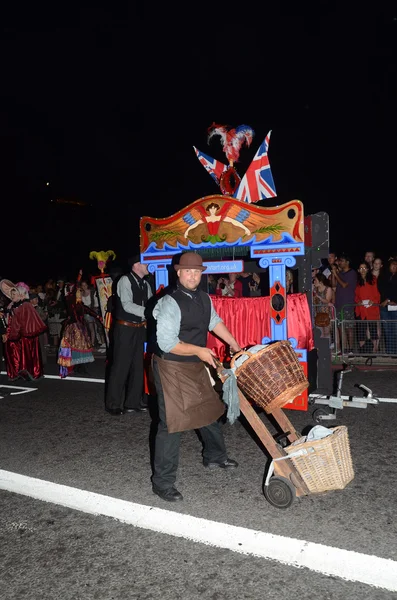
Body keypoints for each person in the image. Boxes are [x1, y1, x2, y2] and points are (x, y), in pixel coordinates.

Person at [151, 251, 242, 502]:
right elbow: (167, 343)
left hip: (194, 364)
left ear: (202, 273)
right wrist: (200, 351)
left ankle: (215, 456)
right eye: (187, 271)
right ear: (178, 273)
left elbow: (214, 322)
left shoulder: (204, 298)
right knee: (171, 422)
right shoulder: (170, 302)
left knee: (208, 409)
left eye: (197, 271)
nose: (192, 276)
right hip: (171, 365)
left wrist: (234, 344)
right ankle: (162, 482)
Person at [105, 254, 153, 415]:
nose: (148, 265)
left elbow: (151, 303)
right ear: (135, 265)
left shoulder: (145, 284)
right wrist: (150, 312)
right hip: (124, 329)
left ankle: (132, 402)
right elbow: (126, 305)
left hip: (140, 328)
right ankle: (113, 403)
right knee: (121, 365)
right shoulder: (125, 280)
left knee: (138, 366)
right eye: (144, 263)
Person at [0, 280, 46, 381]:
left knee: (29, 355)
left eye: (15, 293)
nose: (13, 296)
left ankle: (32, 373)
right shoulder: (12, 305)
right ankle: (18, 372)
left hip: (27, 336)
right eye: (11, 295)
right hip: (18, 335)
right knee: (15, 353)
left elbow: (27, 321)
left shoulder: (25, 304)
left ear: (20, 293)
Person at [57, 285, 102, 377]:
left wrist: (98, 316)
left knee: (81, 347)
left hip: (80, 328)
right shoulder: (71, 302)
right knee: (78, 347)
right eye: (79, 293)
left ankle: (80, 367)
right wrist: (78, 279)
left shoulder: (79, 304)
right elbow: (71, 295)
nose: (80, 294)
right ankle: (77, 367)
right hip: (73, 328)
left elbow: (87, 310)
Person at [331, 253, 357, 356]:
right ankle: (344, 349)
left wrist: (336, 274)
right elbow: (334, 284)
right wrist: (334, 273)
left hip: (348, 304)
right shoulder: (340, 273)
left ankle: (350, 349)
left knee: (349, 328)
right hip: (339, 304)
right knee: (341, 328)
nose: (340, 263)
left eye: (341, 261)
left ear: (347, 262)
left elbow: (344, 284)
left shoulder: (352, 273)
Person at [355, 262, 381, 353]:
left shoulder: (373, 279)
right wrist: (358, 301)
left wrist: (373, 301)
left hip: (371, 308)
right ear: (358, 270)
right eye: (361, 268)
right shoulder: (358, 281)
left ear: (368, 269)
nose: (363, 270)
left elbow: (377, 293)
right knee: (361, 330)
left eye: (364, 268)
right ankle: (363, 350)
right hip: (361, 309)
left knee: (373, 329)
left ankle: (375, 350)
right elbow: (356, 295)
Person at [377, 259, 397, 355]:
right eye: (392, 265)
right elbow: (381, 290)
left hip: (395, 307)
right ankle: (389, 351)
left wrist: (389, 299)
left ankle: (395, 351)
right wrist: (387, 299)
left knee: (395, 329)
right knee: (387, 329)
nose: (394, 267)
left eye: (396, 265)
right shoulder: (383, 277)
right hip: (384, 307)